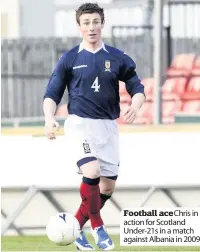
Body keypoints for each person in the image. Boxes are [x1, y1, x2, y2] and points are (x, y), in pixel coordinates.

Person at [43, 2, 145, 251]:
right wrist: (49, 118)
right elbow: (52, 94)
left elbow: (137, 87)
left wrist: (136, 104)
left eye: (95, 22)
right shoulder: (69, 58)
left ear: (102, 24)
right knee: (92, 171)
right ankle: (98, 229)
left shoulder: (117, 57)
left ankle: (76, 227)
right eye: (86, 23)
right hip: (80, 124)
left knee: (107, 187)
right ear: (79, 27)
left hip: (108, 127)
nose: (91, 27)